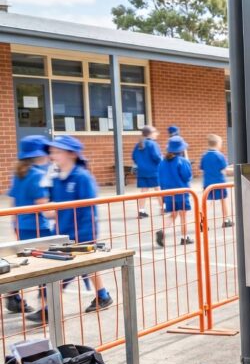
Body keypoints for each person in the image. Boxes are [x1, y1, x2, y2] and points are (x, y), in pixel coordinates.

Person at [29, 136, 113, 323]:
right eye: (51, 152)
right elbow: (50, 205)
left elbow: (89, 207)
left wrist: (80, 235)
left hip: (82, 232)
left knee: (62, 272)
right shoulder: (56, 177)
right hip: (62, 231)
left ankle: (48, 310)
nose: (53, 155)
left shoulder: (82, 177)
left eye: (58, 152)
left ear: (71, 154)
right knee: (88, 266)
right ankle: (103, 295)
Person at [5, 135, 54, 314]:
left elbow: (13, 202)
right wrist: (65, 213)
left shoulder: (18, 174)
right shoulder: (38, 175)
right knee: (45, 265)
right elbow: (45, 209)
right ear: (40, 156)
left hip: (21, 225)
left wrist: (15, 223)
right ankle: (47, 306)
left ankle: (12, 295)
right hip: (39, 227)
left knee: (27, 261)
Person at [156, 136, 194, 247]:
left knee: (172, 215)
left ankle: (162, 231)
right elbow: (187, 176)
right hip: (181, 193)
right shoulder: (183, 161)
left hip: (168, 194)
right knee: (183, 216)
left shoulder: (162, 163)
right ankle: (184, 237)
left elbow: (160, 179)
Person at [200, 134, 233, 228]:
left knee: (207, 202)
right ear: (218, 144)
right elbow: (224, 169)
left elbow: (202, 168)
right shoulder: (220, 155)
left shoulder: (204, 155)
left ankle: (202, 222)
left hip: (207, 183)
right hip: (219, 182)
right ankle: (226, 220)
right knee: (223, 201)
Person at [131, 125, 161, 218]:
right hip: (153, 171)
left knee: (144, 190)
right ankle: (163, 207)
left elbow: (133, 157)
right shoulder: (153, 144)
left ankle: (141, 211)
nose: (157, 134)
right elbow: (157, 157)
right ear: (150, 134)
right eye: (155, 132)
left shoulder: (138, 144)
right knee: (158, 190)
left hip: (142, 171)